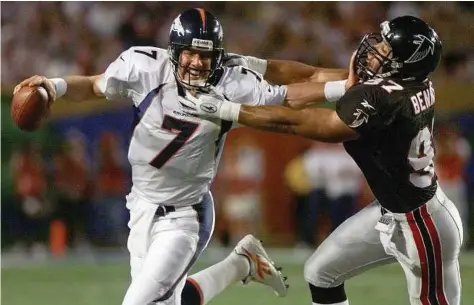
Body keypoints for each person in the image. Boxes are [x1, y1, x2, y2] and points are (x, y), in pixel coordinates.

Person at [13, 8, 350, 305]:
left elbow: (289, 97)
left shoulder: (232, 82)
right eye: (189, 53)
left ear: (218, 56)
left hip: (185, 216)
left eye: (205, 56)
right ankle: (241, 264)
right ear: (174, 51)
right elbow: (95, 84)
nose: (197, 63)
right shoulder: (144, 67)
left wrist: (344, 88)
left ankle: (241, 264)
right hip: (141, 206)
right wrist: (54, 86)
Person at [181, 16, 464, 305]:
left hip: (423, 224)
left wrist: (230, 110)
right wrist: (255, 64)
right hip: (393, 213)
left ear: (405, 60)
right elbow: (314, 74)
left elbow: (308, 124)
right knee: (321, 273)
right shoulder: (406, 83)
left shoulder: (387, 98)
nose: (376, 47)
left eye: (385, 45)